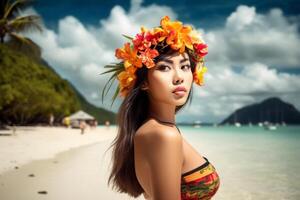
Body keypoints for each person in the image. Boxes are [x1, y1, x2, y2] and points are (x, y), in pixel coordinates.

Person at [102, 16, 220, 200]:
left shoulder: (151, 130)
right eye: (164, 68)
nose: (179, 76)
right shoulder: (164, 135)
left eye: (185, 66)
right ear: (143, 83)